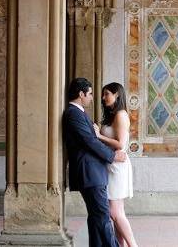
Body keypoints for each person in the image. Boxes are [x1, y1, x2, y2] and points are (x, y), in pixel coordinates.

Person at [63, 77, 126, 247]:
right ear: (81, 94)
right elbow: (89, 141)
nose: (92, 97)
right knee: (102, 216)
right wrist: (113, 156)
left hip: (92, 172)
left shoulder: (78, 112)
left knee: (97, 217)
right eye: (90, 94)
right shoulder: (73, 113)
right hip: (89, 172)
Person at [93, 82, 138, 247]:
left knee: (114, 211)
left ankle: (133, 245)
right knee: (118, 212)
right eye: (103, 94)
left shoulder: (121, 114)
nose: (104, 97)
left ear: (117, 95)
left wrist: (98, 136)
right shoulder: (113, 115)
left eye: (107, 94)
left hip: (118, 167)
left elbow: (120, 144)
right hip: (111, 165)